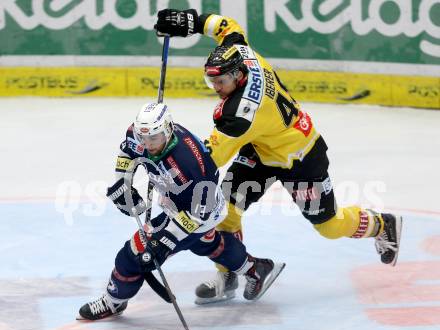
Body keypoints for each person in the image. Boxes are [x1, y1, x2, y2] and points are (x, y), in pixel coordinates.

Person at [154, 10, 403, 304]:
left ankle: (382, 224)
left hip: (300, 158)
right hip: (261, 149)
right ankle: (229, 272)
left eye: (219, 82)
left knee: (330, 226)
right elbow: (225, 25)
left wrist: (165, 154)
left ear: (237, 76)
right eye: (211, 82)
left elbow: (208, 160)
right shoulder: (243, 55)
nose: (215, 89)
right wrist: (192, 22)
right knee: (225, 210)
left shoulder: (240, 115)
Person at [78, 102, 285, 320]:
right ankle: (255, 269)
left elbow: (198, 215)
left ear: (167, 130)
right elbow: (126, 152)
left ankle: (113, 301)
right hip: (177, 203)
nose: (147, 144)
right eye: (143, 138)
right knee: (205, 243)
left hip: (199, 213)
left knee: (134, 254)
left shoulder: (191, 164)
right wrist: (123, 182)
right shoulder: (140, 133)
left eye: (153, 139)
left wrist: (165, 239)